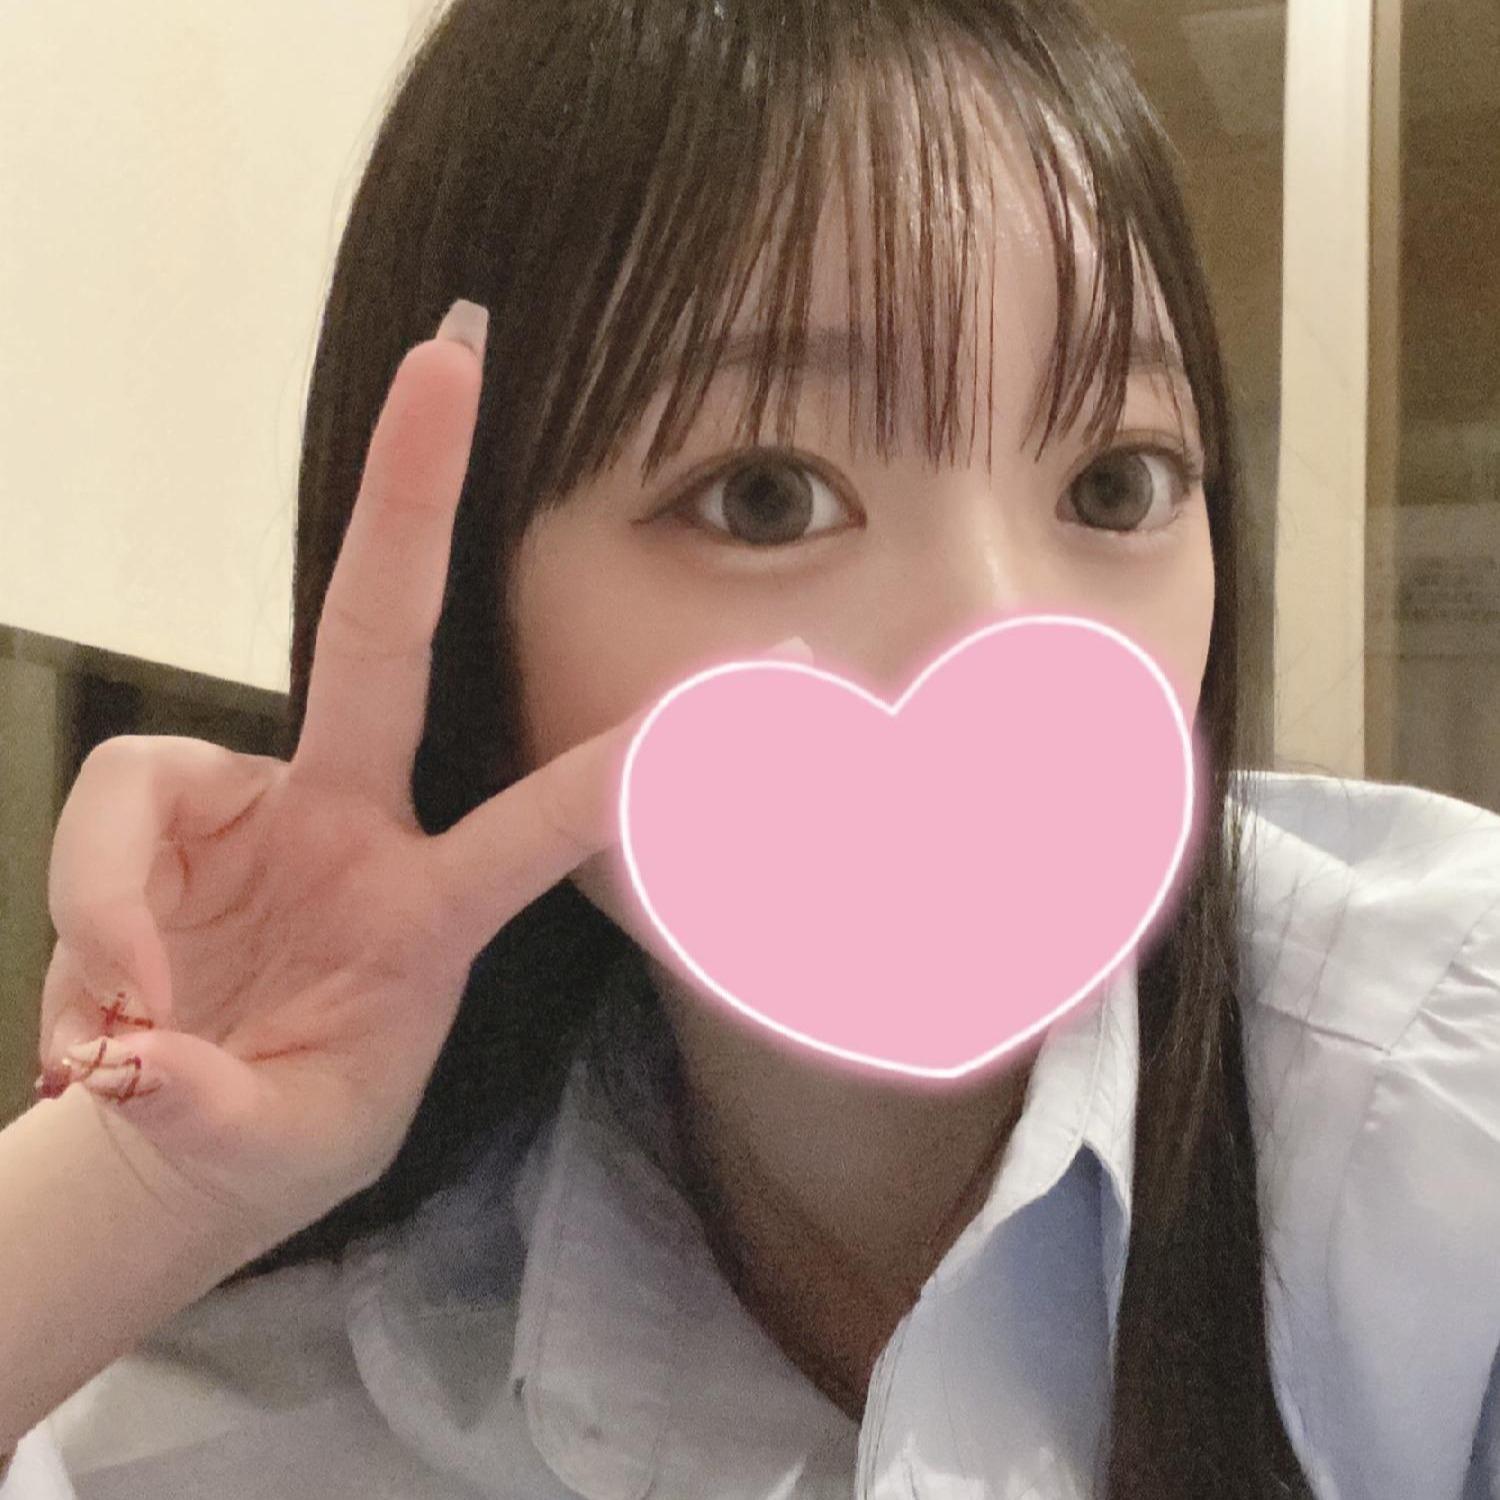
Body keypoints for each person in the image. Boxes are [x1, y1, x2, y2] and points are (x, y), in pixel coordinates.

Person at [3, 0, 1499, 1495]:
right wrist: (138, 1193)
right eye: (766, 497)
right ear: (469, 618)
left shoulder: (1442, 1108)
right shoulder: (341, 1382)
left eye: (1118, 482)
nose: (1005, 635)